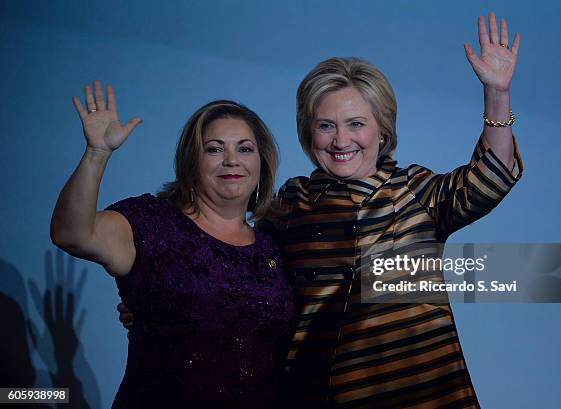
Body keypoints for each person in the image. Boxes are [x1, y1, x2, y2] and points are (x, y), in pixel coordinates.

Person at [120, 11, 522, 408]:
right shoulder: (289, 206)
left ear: (382, 130)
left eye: (356, 124)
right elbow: (236, 279)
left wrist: (497, 94)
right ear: (307, 132)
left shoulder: (416, 191)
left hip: (424, 395)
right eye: (325, 125)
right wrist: (159, 304)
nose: (341, 139)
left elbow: (492, 176)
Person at [50, 82, 296, 408]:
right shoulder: (151, 223)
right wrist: (97, 153)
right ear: (192, 160)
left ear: (262, 163)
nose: (232, 161)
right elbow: (72, 234)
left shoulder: (273, 249)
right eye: (215, 149)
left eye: (245, 149)